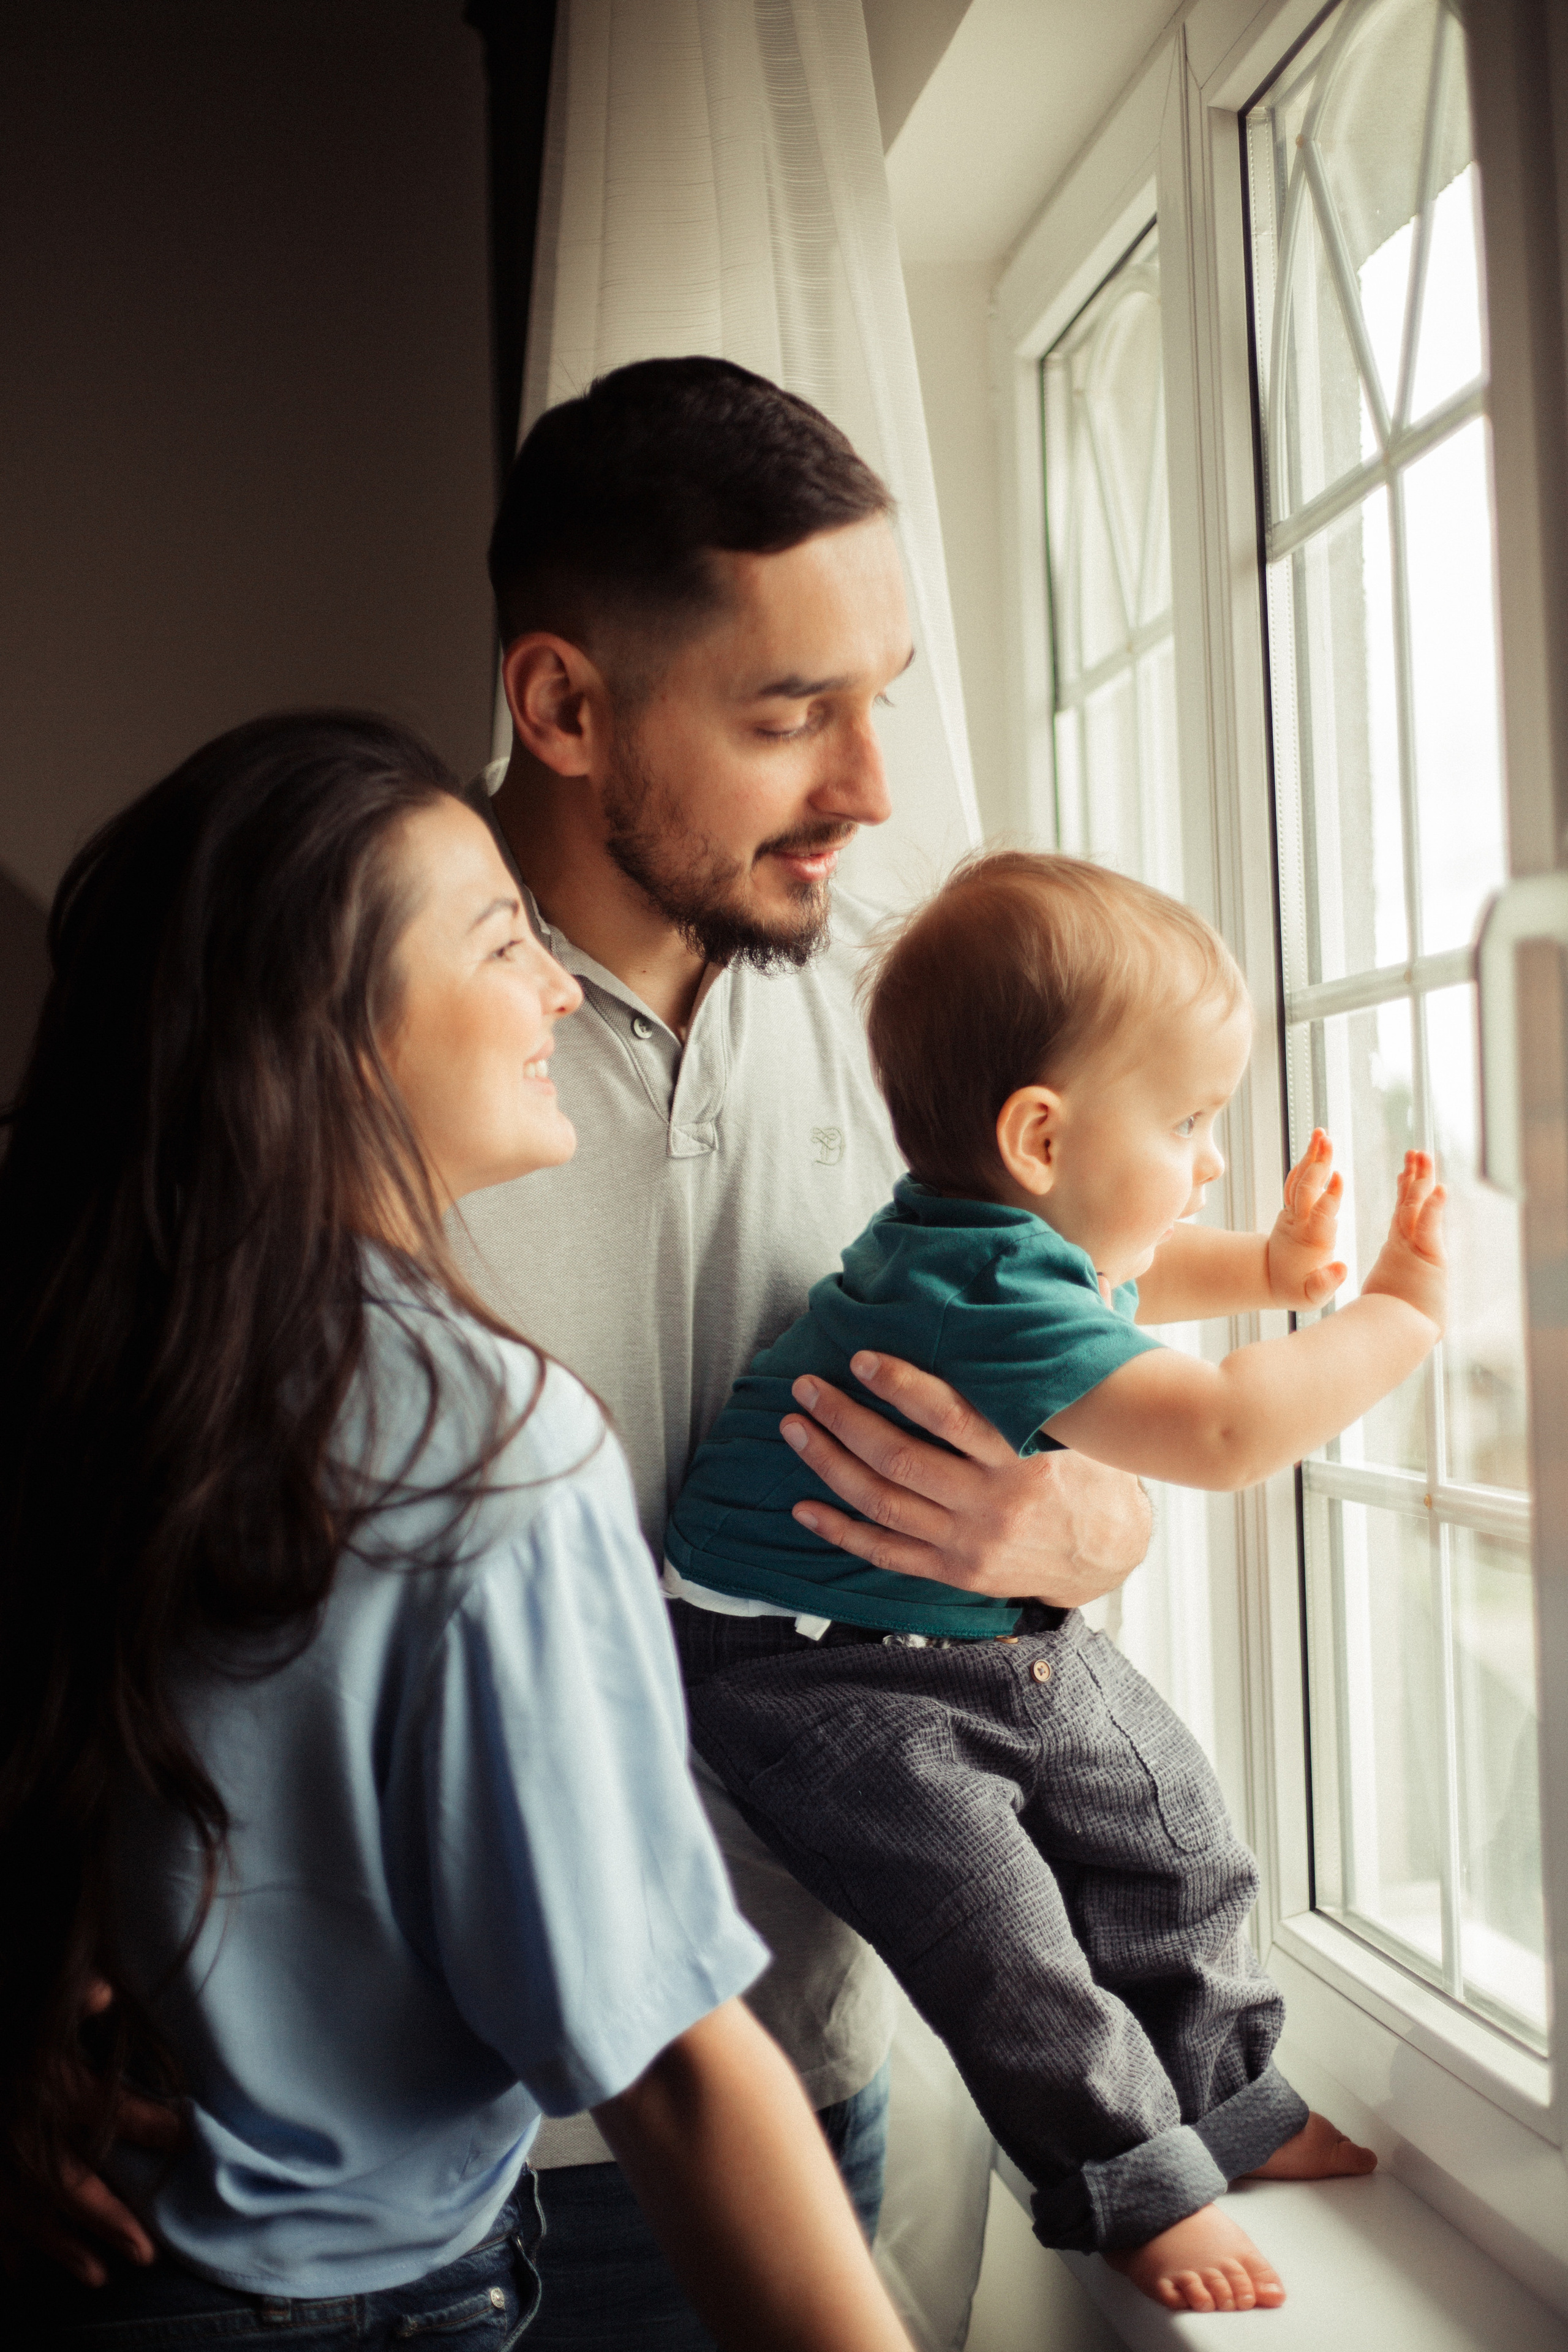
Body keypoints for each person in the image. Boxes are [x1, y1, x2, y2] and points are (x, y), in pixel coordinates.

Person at [22, 360, 1152, 2345]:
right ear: (560, 705)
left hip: (779, 2069)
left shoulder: (942, 1012)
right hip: (384, 2155)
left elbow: (1106, 1393)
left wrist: (1088, 1528)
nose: (872, 786)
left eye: (884, 692)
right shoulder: (310, 1006)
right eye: (795, 713)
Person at [0, 711, 915, 2352]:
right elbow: (680, 2074)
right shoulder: (487, 1447)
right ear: (326, 1029)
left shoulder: (78, 1363)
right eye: (506, 942)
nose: (561, 990)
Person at [665, 851, 1443, 2317]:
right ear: (1038, 1135)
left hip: (951, 1632)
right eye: (1189, 1121)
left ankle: (1230, 2105)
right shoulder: (983, 1294)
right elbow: (1220, 1433)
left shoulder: (993, 1244)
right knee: (998, 1927)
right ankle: (1129, 2186)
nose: (1209, 1156)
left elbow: (1136, 1279)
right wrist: (1393, 1318)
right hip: (801, 1672)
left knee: (1168, 1827)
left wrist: (1269, 1268)